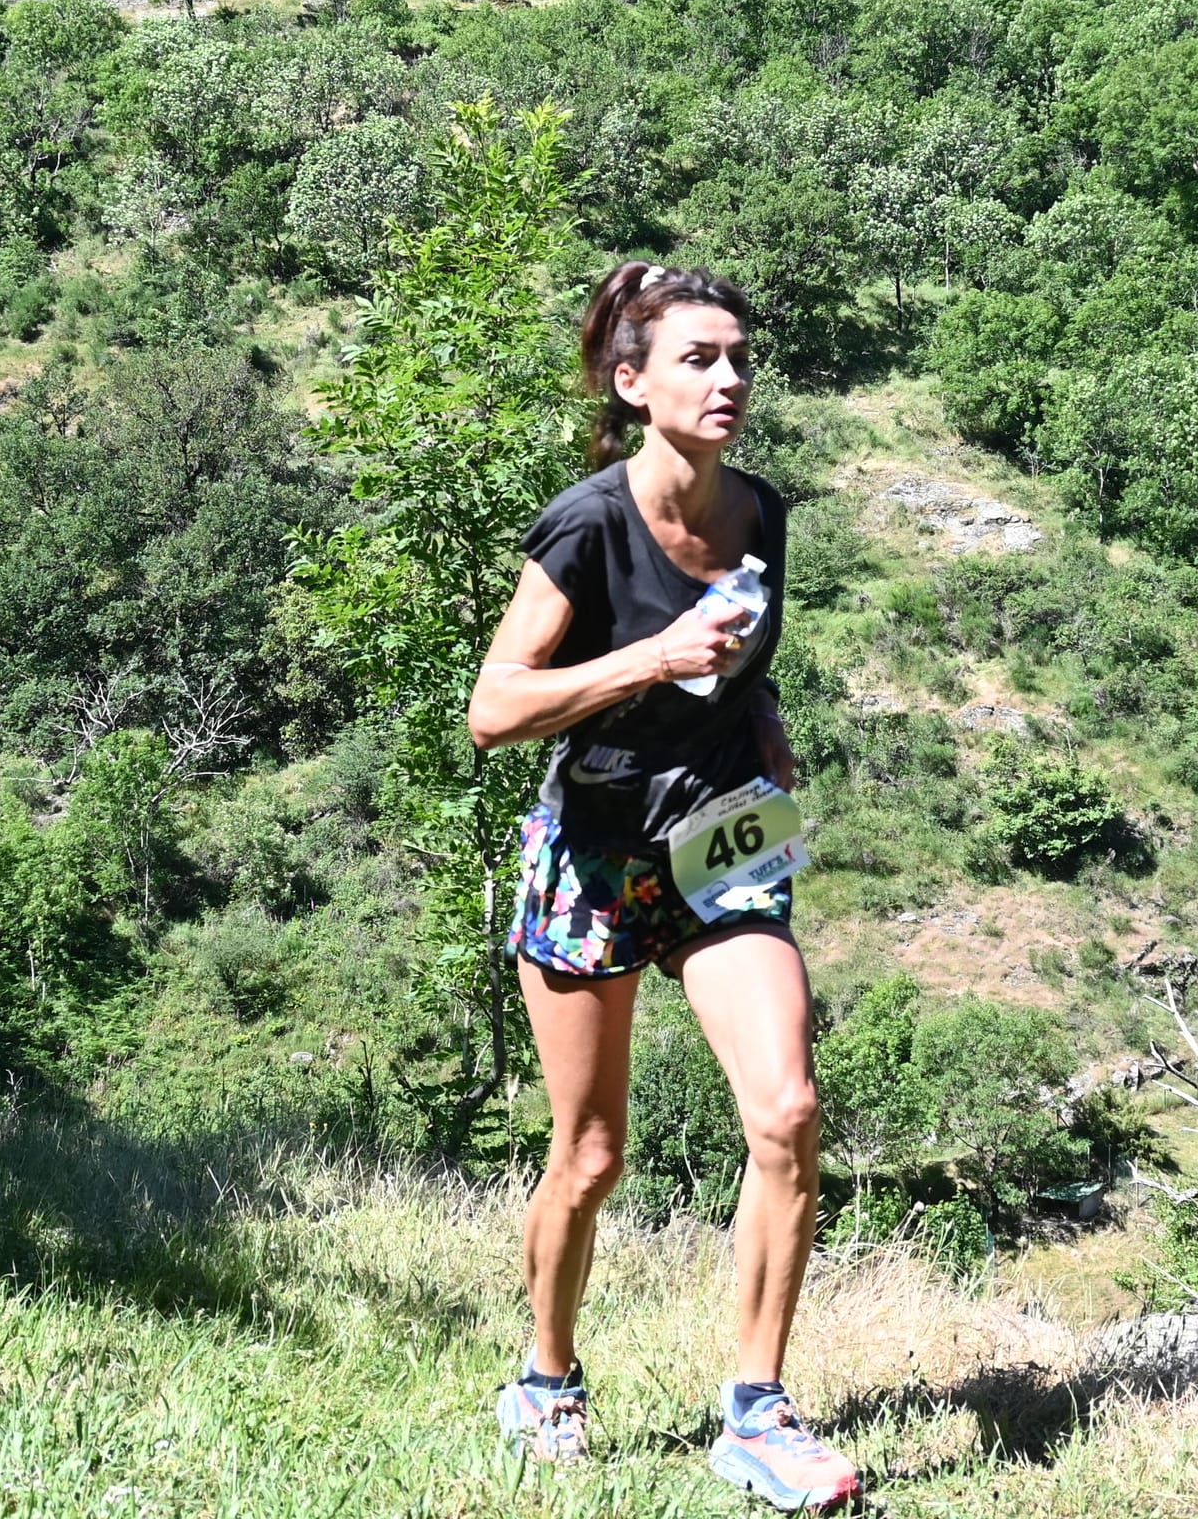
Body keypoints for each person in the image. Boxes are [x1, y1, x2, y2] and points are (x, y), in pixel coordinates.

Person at [467, 262, 861, 1511]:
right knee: (588, 1156)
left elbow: (735, 650)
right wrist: (649, 653)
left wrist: (764, 715)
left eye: (739, 356)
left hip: (719, 844)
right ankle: (543, 1376)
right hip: (591, 854)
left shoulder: (763, 512)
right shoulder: (587, 524)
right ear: (632, 384)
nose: (730, 377)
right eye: (698, 358)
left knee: (787, 1110)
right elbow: (493, 709)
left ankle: (756, 1411)